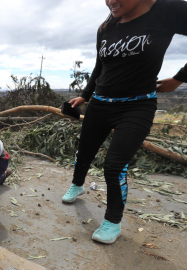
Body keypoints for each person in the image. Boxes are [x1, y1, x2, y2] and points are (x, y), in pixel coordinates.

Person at [61, 0, 187, 245]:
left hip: (138, 104)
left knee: (114, 166)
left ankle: (112, 221)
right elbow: (100, 65)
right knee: (85, 151)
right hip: (100, 103)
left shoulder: (168, 10)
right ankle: (77, 185)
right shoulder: (106, 26)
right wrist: (85, 96)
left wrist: (180, 78)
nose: (110, 2)